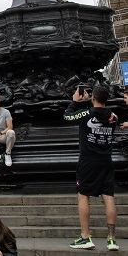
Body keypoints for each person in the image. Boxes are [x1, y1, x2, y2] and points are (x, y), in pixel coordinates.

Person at [64, 86, 119, 251]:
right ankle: (111, 239)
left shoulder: (87, 114)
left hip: (88, 161)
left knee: (83, 196)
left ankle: (85, 237)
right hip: (106, 160)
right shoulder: (114, 117)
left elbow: (67, 116)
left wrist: (75, 101)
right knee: (108, 196)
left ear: (93, 97)